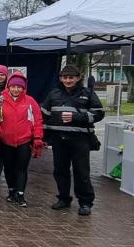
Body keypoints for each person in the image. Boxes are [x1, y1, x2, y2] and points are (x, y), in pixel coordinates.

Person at [42, 64, 104, 216]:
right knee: (60, 171)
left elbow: (99, 113)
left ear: (78, 78)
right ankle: (63, 198)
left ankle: (85, 202)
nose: (68, 80)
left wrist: (77, 117)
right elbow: (44, 115)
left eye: (71, 77)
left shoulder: (87, 93)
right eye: (65, 77)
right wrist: (44, 137)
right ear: (61, 78)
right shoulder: (54, 93)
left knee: (81, 171)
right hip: (58, 139)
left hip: (80, 139)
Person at [0, 72, 43, 207]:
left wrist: (37, 137)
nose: (16, 89)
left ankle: (20, 194)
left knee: (21, 168)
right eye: (13, 86)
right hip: (6, 140)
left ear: (23, 88)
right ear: (8, 87)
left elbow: (38, 120)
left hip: (24, 140)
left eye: (19, 87)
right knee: (9, 167)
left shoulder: (30, 101)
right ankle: (11, 191)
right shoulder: (0, 101)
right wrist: (0, 131)